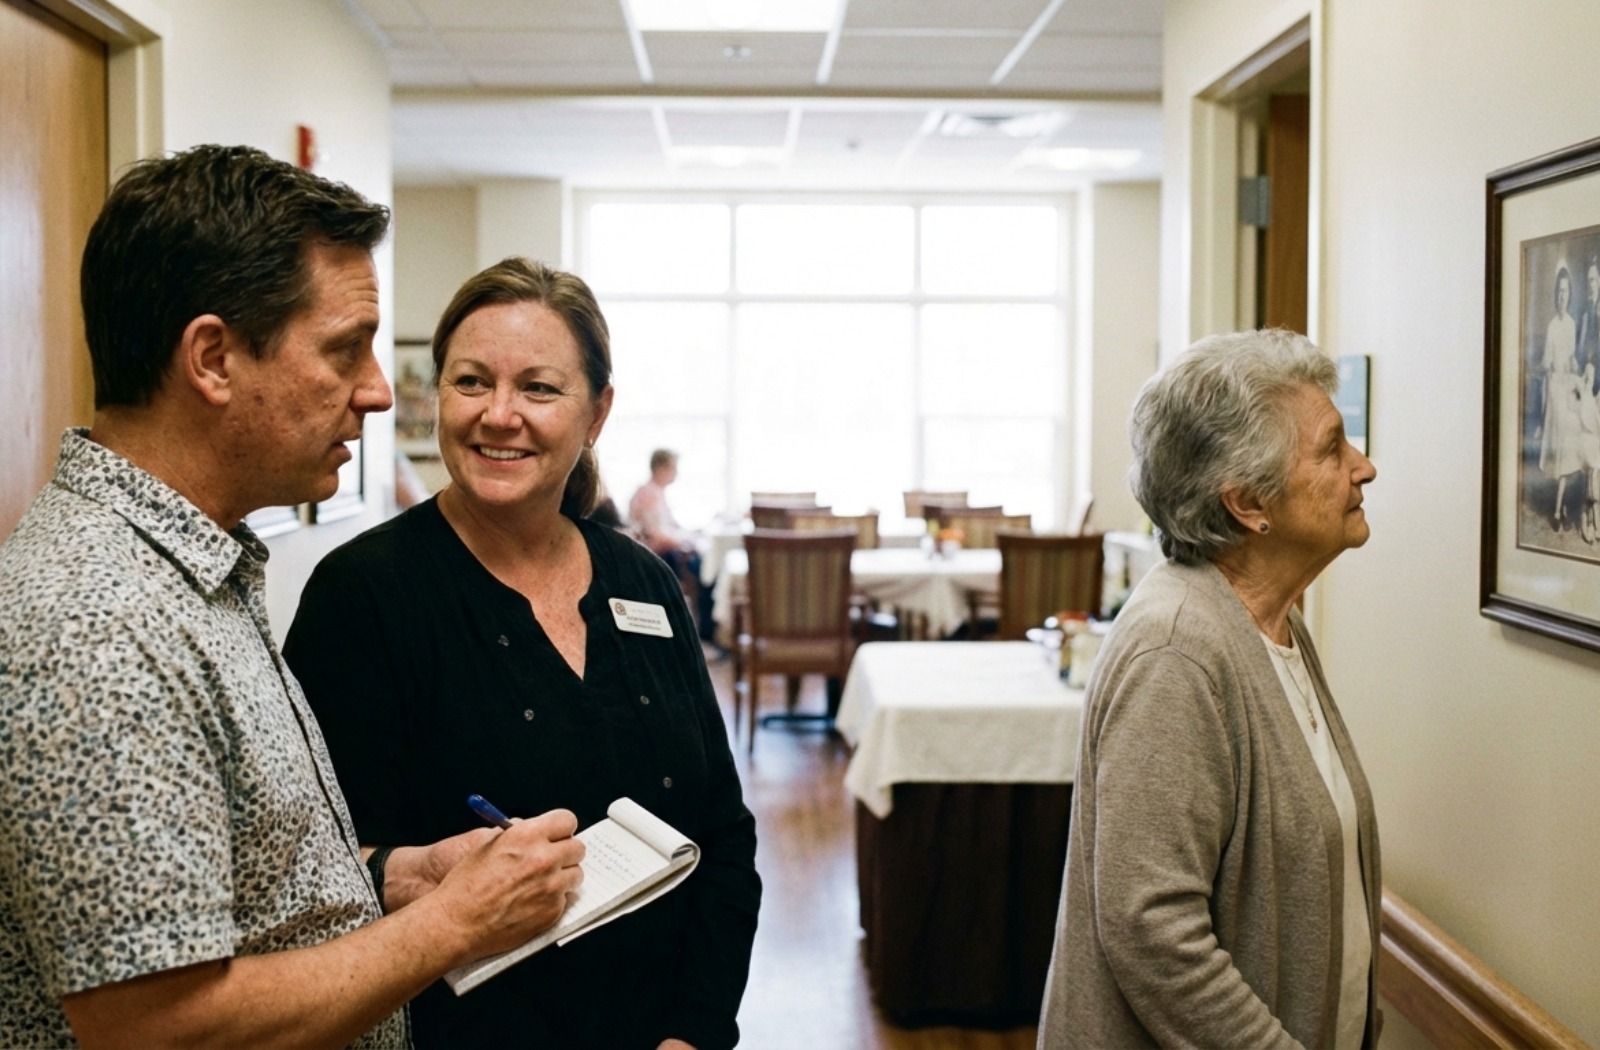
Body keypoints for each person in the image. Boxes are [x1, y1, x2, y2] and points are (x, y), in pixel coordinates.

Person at [0, 146, 585, 1048]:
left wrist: (404, 880)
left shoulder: (191, 575)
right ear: (214, 359)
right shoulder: (97, 625)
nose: (380, 393)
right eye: (345, 349)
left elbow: (238, 898)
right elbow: (163, 1029)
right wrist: (454, 924)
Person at [283, 257, 761, 1049]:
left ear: (597, 412)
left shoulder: (643, 580)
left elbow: (723, 831)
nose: (499, 415)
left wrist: (695, 1031)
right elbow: (316, 870)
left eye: (539, 388)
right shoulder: (362, 597)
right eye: (472, 382)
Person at [1038, 330, 1382, 1049]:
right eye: (1332, 449)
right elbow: (1152, 931)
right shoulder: (1179, 651)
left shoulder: (1273, 624)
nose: (1365, 468)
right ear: (1248, 502)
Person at [630, 448, 718, 641]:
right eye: (673, 468)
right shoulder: (648, 494)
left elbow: (668, 528)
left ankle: (707, 632)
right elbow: (657, 535)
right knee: (704, 570)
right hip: (657, 558)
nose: (676, 473)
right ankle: (706, 634)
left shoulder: (655, 493)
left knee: (704, 566)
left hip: (664, 553)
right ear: (661, 468)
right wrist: (686, 541)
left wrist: (689, 537)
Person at [1539, 266, 1585, 534]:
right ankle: (1558, 510)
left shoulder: (1571, 324)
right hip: (1556, 387)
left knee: (1577, 434)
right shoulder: (1552, 326)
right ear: (1555, 295)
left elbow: (1571, 359)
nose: (1562, 296)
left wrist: (1576, 366)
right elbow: (1548, 363)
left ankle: (1562, 506)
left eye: (1566, 292)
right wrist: (1546, 367)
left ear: (1570, 295)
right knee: (1565, 444)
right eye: (1559, 292)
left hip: (1568, 384)